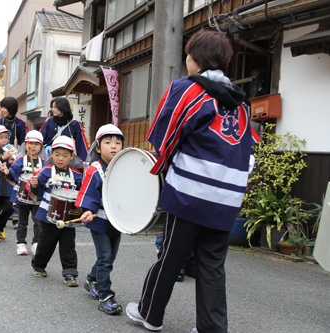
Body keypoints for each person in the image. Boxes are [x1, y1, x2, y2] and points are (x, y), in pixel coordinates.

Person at [126, 29, 259, 332]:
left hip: (190, 191)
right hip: (227, 198)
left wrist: (160, 169)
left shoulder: (187, 89)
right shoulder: (240, 103)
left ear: (196, 59)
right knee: (211, 265)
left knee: (171, 255)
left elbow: (166, 135)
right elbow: (249, 151)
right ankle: (212, 328)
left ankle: (150, 314)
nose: (186, 60)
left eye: (187, 55)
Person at [75, 124, 124, 315]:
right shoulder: (94, 170)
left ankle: (91, 280)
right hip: (99, 220)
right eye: (108, 142)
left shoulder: (123, 168)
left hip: (117, 221)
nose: (113, 146)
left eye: (118, 142)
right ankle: (105, 296)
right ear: (97, 147)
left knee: (109, 257)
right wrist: (88, 210)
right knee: (105, 259)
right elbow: (88, 194)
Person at [28, 136, 83, 286]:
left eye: (65, 156)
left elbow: (82, 195)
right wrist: (34, 185)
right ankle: (39, 265)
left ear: (72, 156)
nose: (60, 159)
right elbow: (35, 193)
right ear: (51, 154)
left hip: (68, 218)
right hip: (48, 216)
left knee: (68, 246)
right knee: (46, 243)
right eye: (57, 154)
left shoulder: (77, 176)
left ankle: (70, 273)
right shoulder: (45, 172)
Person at [0, 130, 46, 256]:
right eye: (30, 144)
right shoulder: (20, 160)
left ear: (41, 146)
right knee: (22, 222)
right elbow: (13, 176)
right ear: (25, 145)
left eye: (37, 144)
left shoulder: (44, 163)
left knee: (38, 222)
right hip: (22, 197)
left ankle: (36, 243)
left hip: (37, 197)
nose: (33, 147)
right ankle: (20, 243)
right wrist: (6, 171)